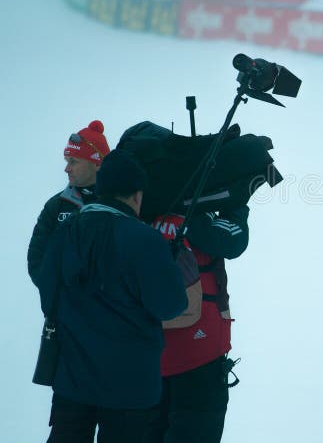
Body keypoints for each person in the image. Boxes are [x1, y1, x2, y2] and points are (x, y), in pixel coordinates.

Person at [33, 149, 189, 443]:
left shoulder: (66, 232)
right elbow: (170, 306)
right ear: (135, 196)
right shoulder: (146, 240)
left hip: (71, 381)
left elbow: (48, 291)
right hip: (130, 389)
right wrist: (168, 266)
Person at [144, 205, 249, 443]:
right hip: (200, 353)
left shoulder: (135, 205)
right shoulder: (204, 209)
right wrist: (237, 205)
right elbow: (234, 240)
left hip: (143, 352)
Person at [28, 120, 110, 282]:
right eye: (67, 161)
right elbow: (36, 260)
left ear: (97, 163)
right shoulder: (56, 206)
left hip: (110, 304)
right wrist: (59, 295)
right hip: (67, 304)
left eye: (74, 162)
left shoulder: (119, 202)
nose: (67, 169)